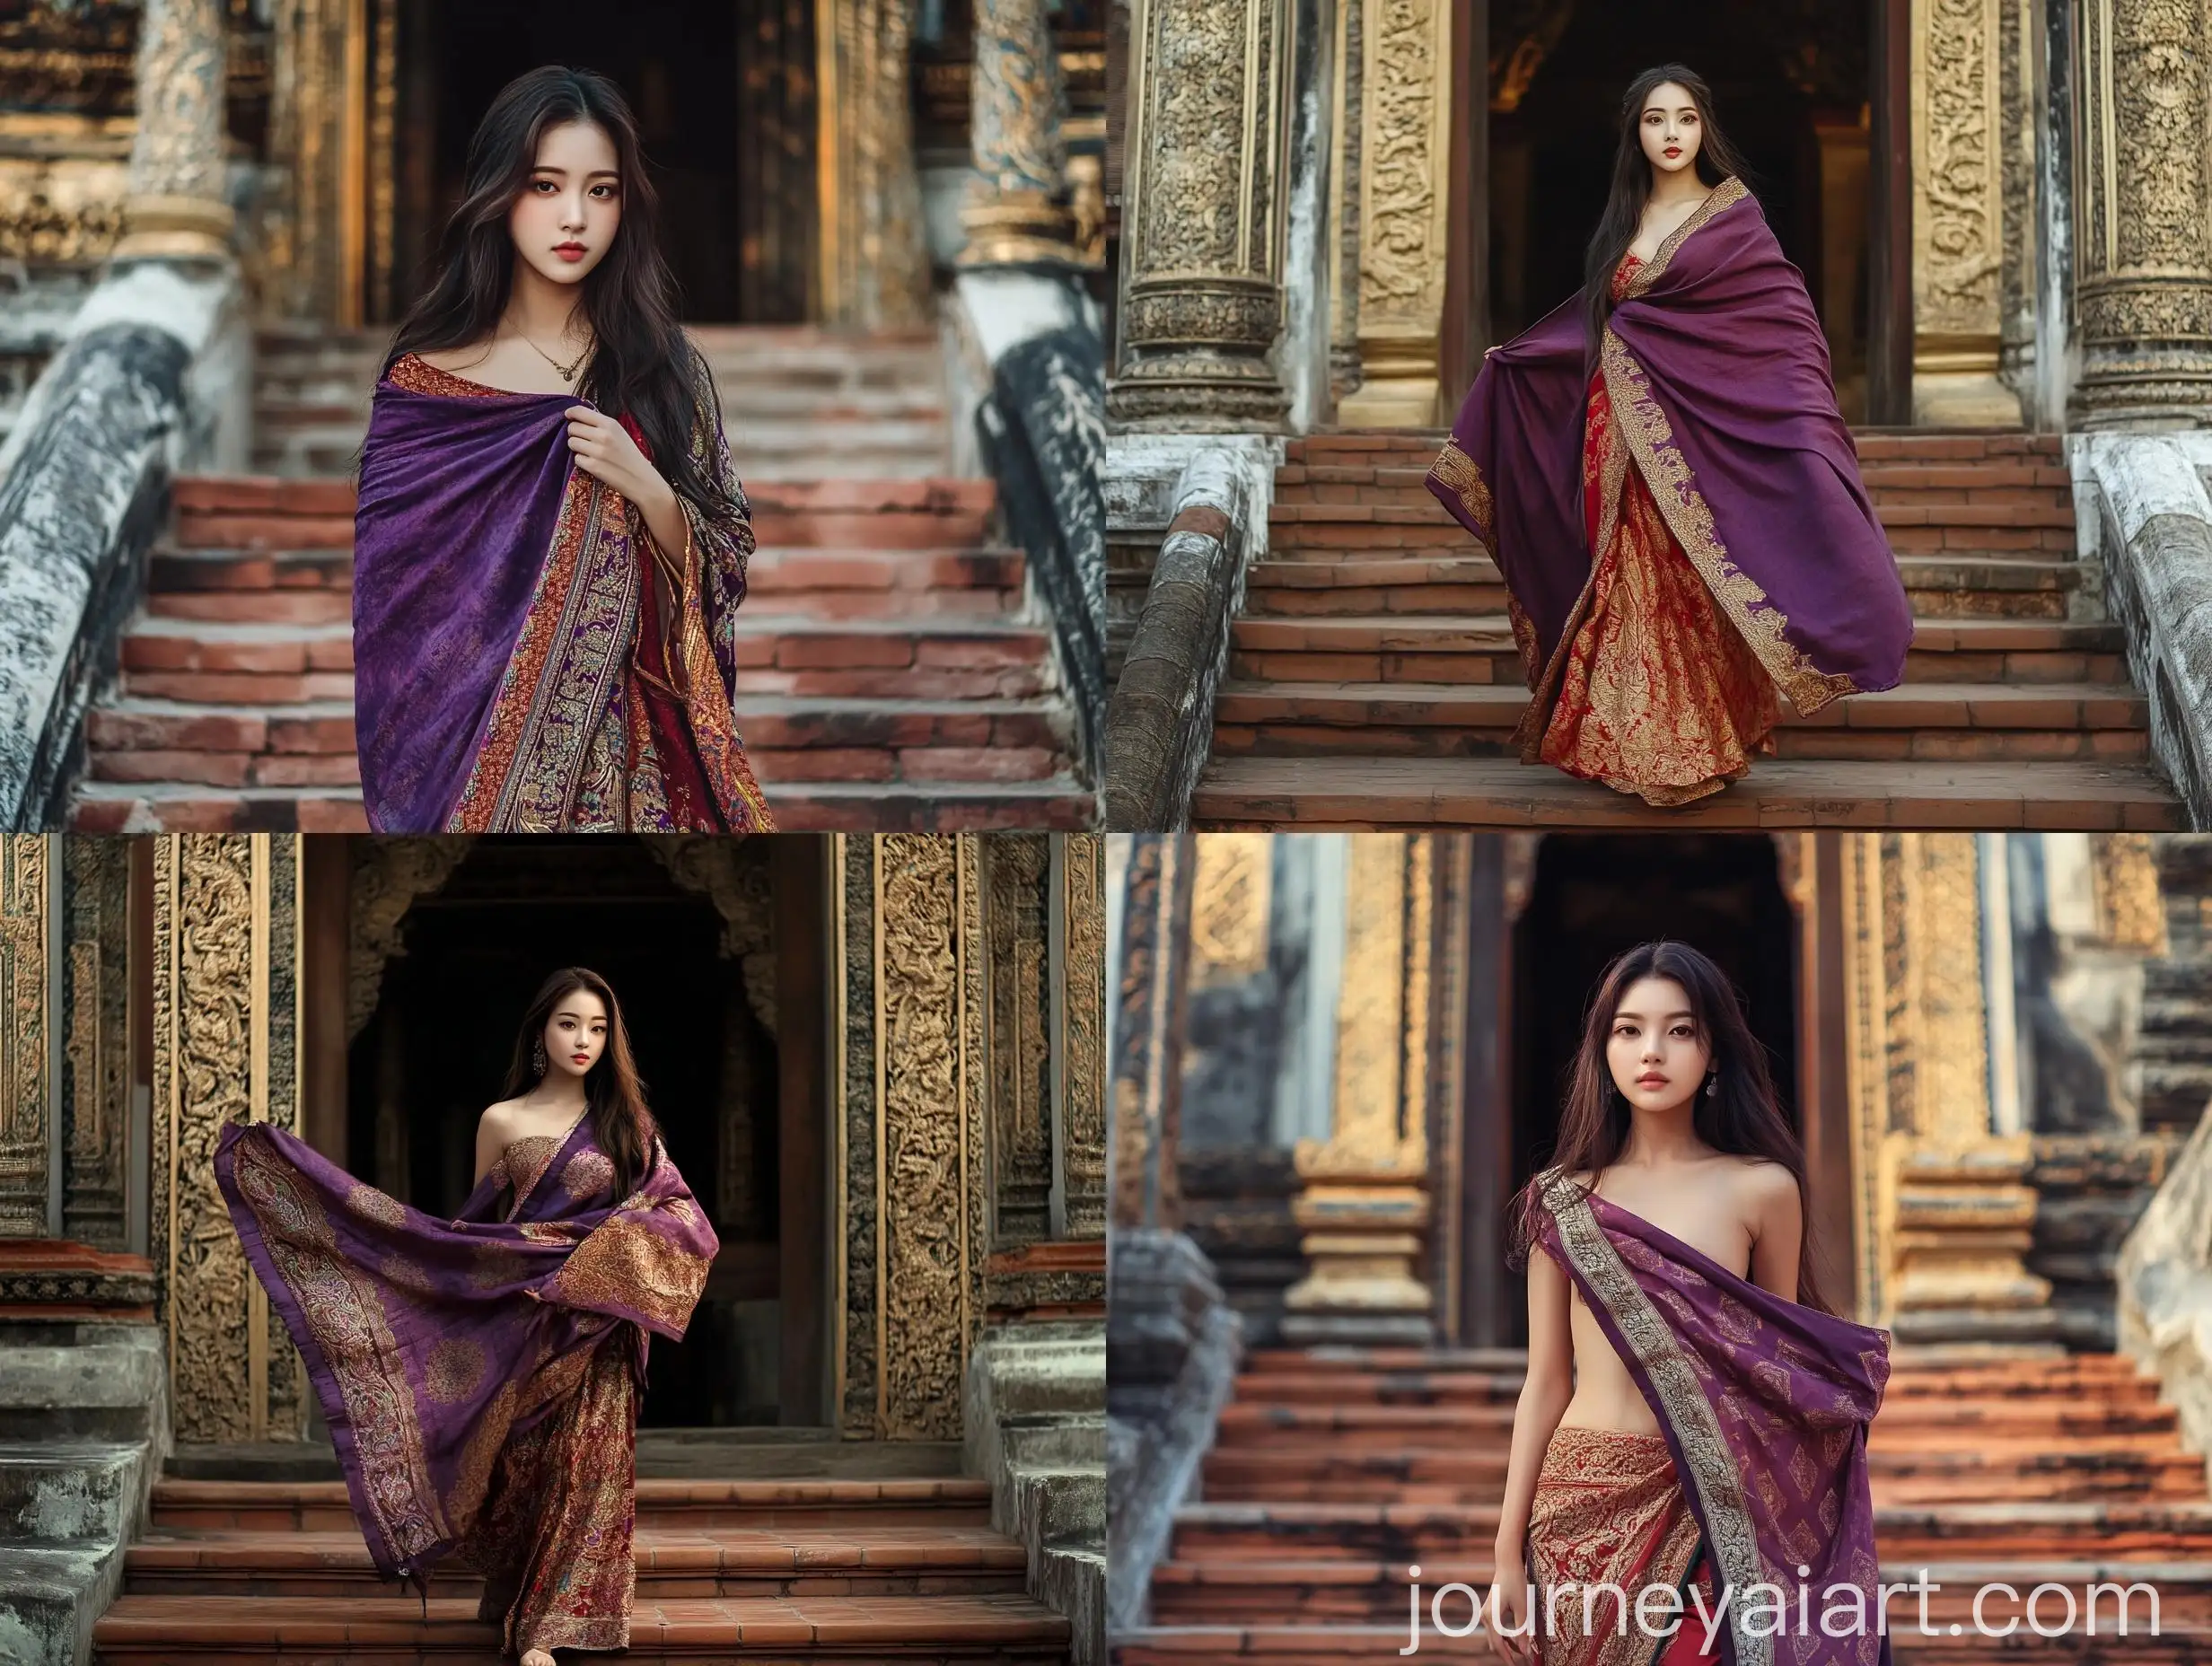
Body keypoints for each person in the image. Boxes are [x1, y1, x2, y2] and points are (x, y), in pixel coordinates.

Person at [1427, 65, 1912, 807]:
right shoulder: (1624, 222)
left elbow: (1783, 327)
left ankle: (1691, 743)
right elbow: (1605, 329)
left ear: (1704, 127)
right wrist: (1521, 361)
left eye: (1685, 119)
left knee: (1683, 585)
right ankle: (1637, 746)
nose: (1672, 134)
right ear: (1636, 133)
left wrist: (1798, 418)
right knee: (1625, 581)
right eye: (1656, 120)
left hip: (1694, 441)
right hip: (1612, 438)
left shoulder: (1734, 219)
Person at [215, 968, 718, 1666]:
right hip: (527, 1320)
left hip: (600, 1322)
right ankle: (520, 1591)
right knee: (530, 1465)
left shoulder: (627, 1126)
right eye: (570, 1023)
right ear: (541, 1030)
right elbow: (478, 1237)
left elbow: (682, 1216)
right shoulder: (502, 1121)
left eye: (599, 1028)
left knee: (590, 1464)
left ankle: (553, 1623)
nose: (584, 1040)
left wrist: (598, 1257)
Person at [354, 65, 775, 833]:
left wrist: (647, 488)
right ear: (497, 191)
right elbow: (400, 623)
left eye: (601, 190)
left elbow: (729, 554)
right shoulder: (424, 387)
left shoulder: (663, 370)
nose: (574, 217)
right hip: (472, 769)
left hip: (635, 772)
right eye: (545, 186)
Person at [1487, 942, 1892, 1666]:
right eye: (1629, 1029)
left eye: (1680, 1030)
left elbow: (1776, 1379)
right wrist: (1505, 1552)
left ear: (1714, 1054)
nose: (1653, 1051)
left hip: (1712, 1506)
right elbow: (1545, 1380)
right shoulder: (1561, 1201)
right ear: (1603, 1051)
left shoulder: (1762, 1189)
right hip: (1577, 1507)